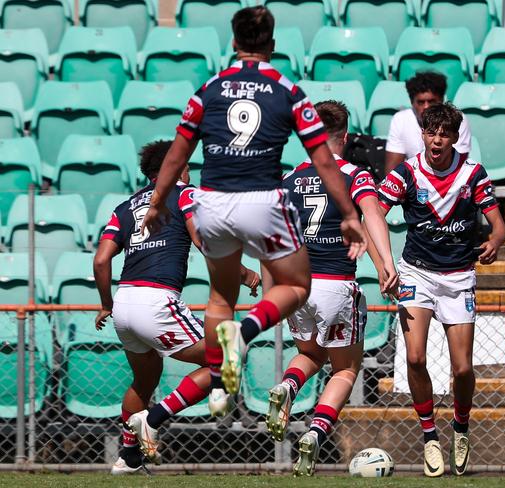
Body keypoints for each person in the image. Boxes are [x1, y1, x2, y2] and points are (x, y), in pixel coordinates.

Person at [139, 5, 366, 415]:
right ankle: (243, 334)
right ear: (273, 46)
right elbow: (324, 161)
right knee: (297, 287)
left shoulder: (208, 89)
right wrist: (350, 214)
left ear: (233, 43)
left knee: (220, 296)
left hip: (211, 202)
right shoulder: (288, 91)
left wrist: (157, 202)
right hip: (261, 200)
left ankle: (219, 387)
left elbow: (176, 155)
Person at [93, 140, 260, 474]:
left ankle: (128, 459)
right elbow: (206, 242)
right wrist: (245, 274)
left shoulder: (125, 207)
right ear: (174, 167)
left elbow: (100, 260)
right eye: (186, 164)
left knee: (143, 381)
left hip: (124, 305)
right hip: (156, 301)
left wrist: (106, 304)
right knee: (229, 357)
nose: (189, 171)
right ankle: (153, 420)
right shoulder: (184, 194)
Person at [265, 101, 398, 476]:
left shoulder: (290, 180)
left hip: (298, 287)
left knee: (310, 353)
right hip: (336, 284)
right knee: (345, 368)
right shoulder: (354, 174)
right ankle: (315, 433)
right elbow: (371, 214)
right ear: (345, 136)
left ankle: (288, 388)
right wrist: (385, 263)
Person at [377, 103, 505, 477]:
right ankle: (430, 436)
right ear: (423, 135)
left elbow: (499, 226)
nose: (437, 140)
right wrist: (383, 261)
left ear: (454, 137)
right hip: (416, 273)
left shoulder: (472, 174)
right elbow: (375, 212)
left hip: (458, 277)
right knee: (415, 358)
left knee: (462, 367)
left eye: (444, 134)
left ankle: (461, 427)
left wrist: (495, 241)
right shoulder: (407, 172)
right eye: (431, 132)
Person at [385, 71, 472, 175]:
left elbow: (458, 168)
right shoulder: (400, 120)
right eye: (421, 102)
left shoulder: (457, 120)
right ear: (412, 102)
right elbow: (392, 173)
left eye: (431, 101)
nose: (426, 107)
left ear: (442, 100)